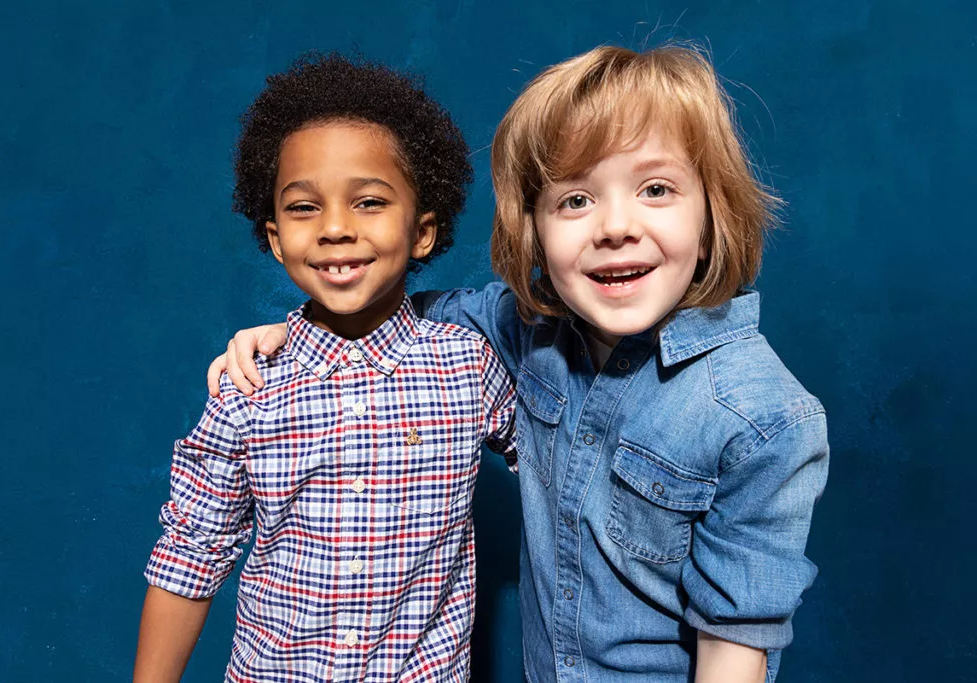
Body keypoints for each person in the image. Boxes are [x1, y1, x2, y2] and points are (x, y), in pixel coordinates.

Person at [209, 45, 828, 683]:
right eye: (575, 201)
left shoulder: (764, 417)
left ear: (712, 212)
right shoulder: (524, 329)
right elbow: (389, 304)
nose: (616, 226)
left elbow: (735, 646)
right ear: (533, 228)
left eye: (656, 189)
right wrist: (304, 331)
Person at [135, 53, 516, 683]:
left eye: (369, 202)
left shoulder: (468, 366)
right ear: (277, 237)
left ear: (422, 232)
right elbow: (190, 556)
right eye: (304, 208)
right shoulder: (248, 387)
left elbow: (564, 460)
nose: (336, 229)